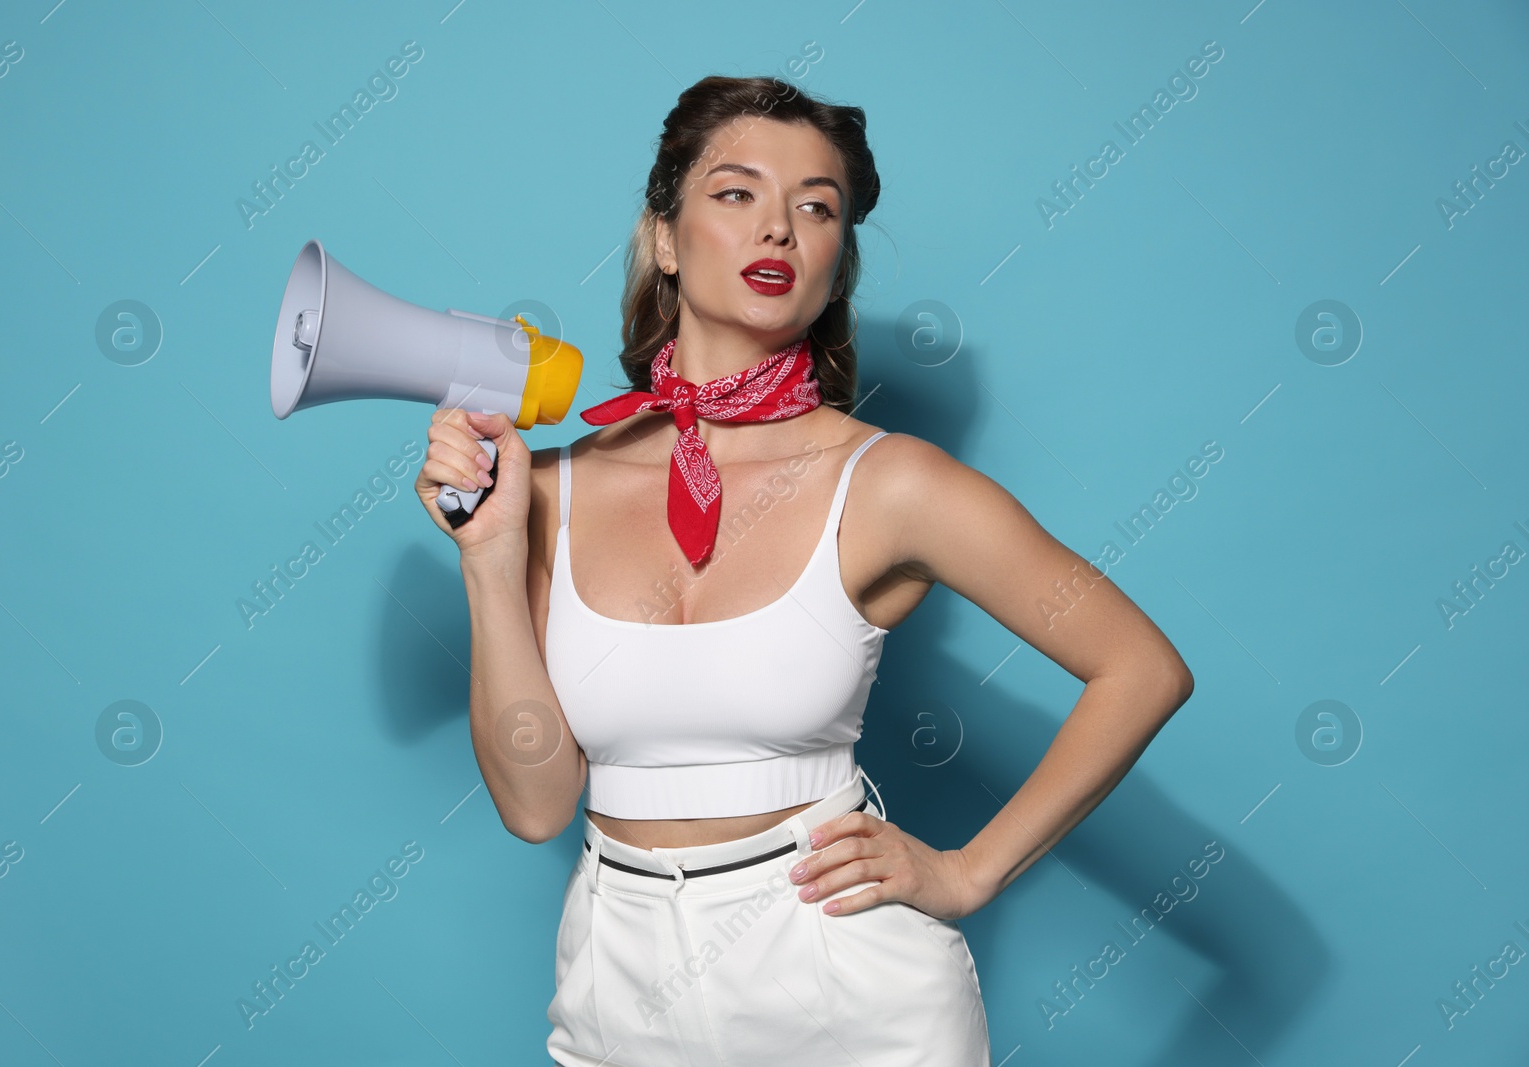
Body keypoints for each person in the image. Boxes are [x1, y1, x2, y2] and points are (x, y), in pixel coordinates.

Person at [414, 75, 1194, 1066]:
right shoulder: (549, 487)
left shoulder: (891, 483)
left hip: (846, 987)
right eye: (735, 192)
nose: (777, 227)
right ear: (664, 235)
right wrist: (488, 555)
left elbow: (1140, 667)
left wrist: (967, 873)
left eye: (815, 206)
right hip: (618, 981)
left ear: (838, 261)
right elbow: (535, 807)